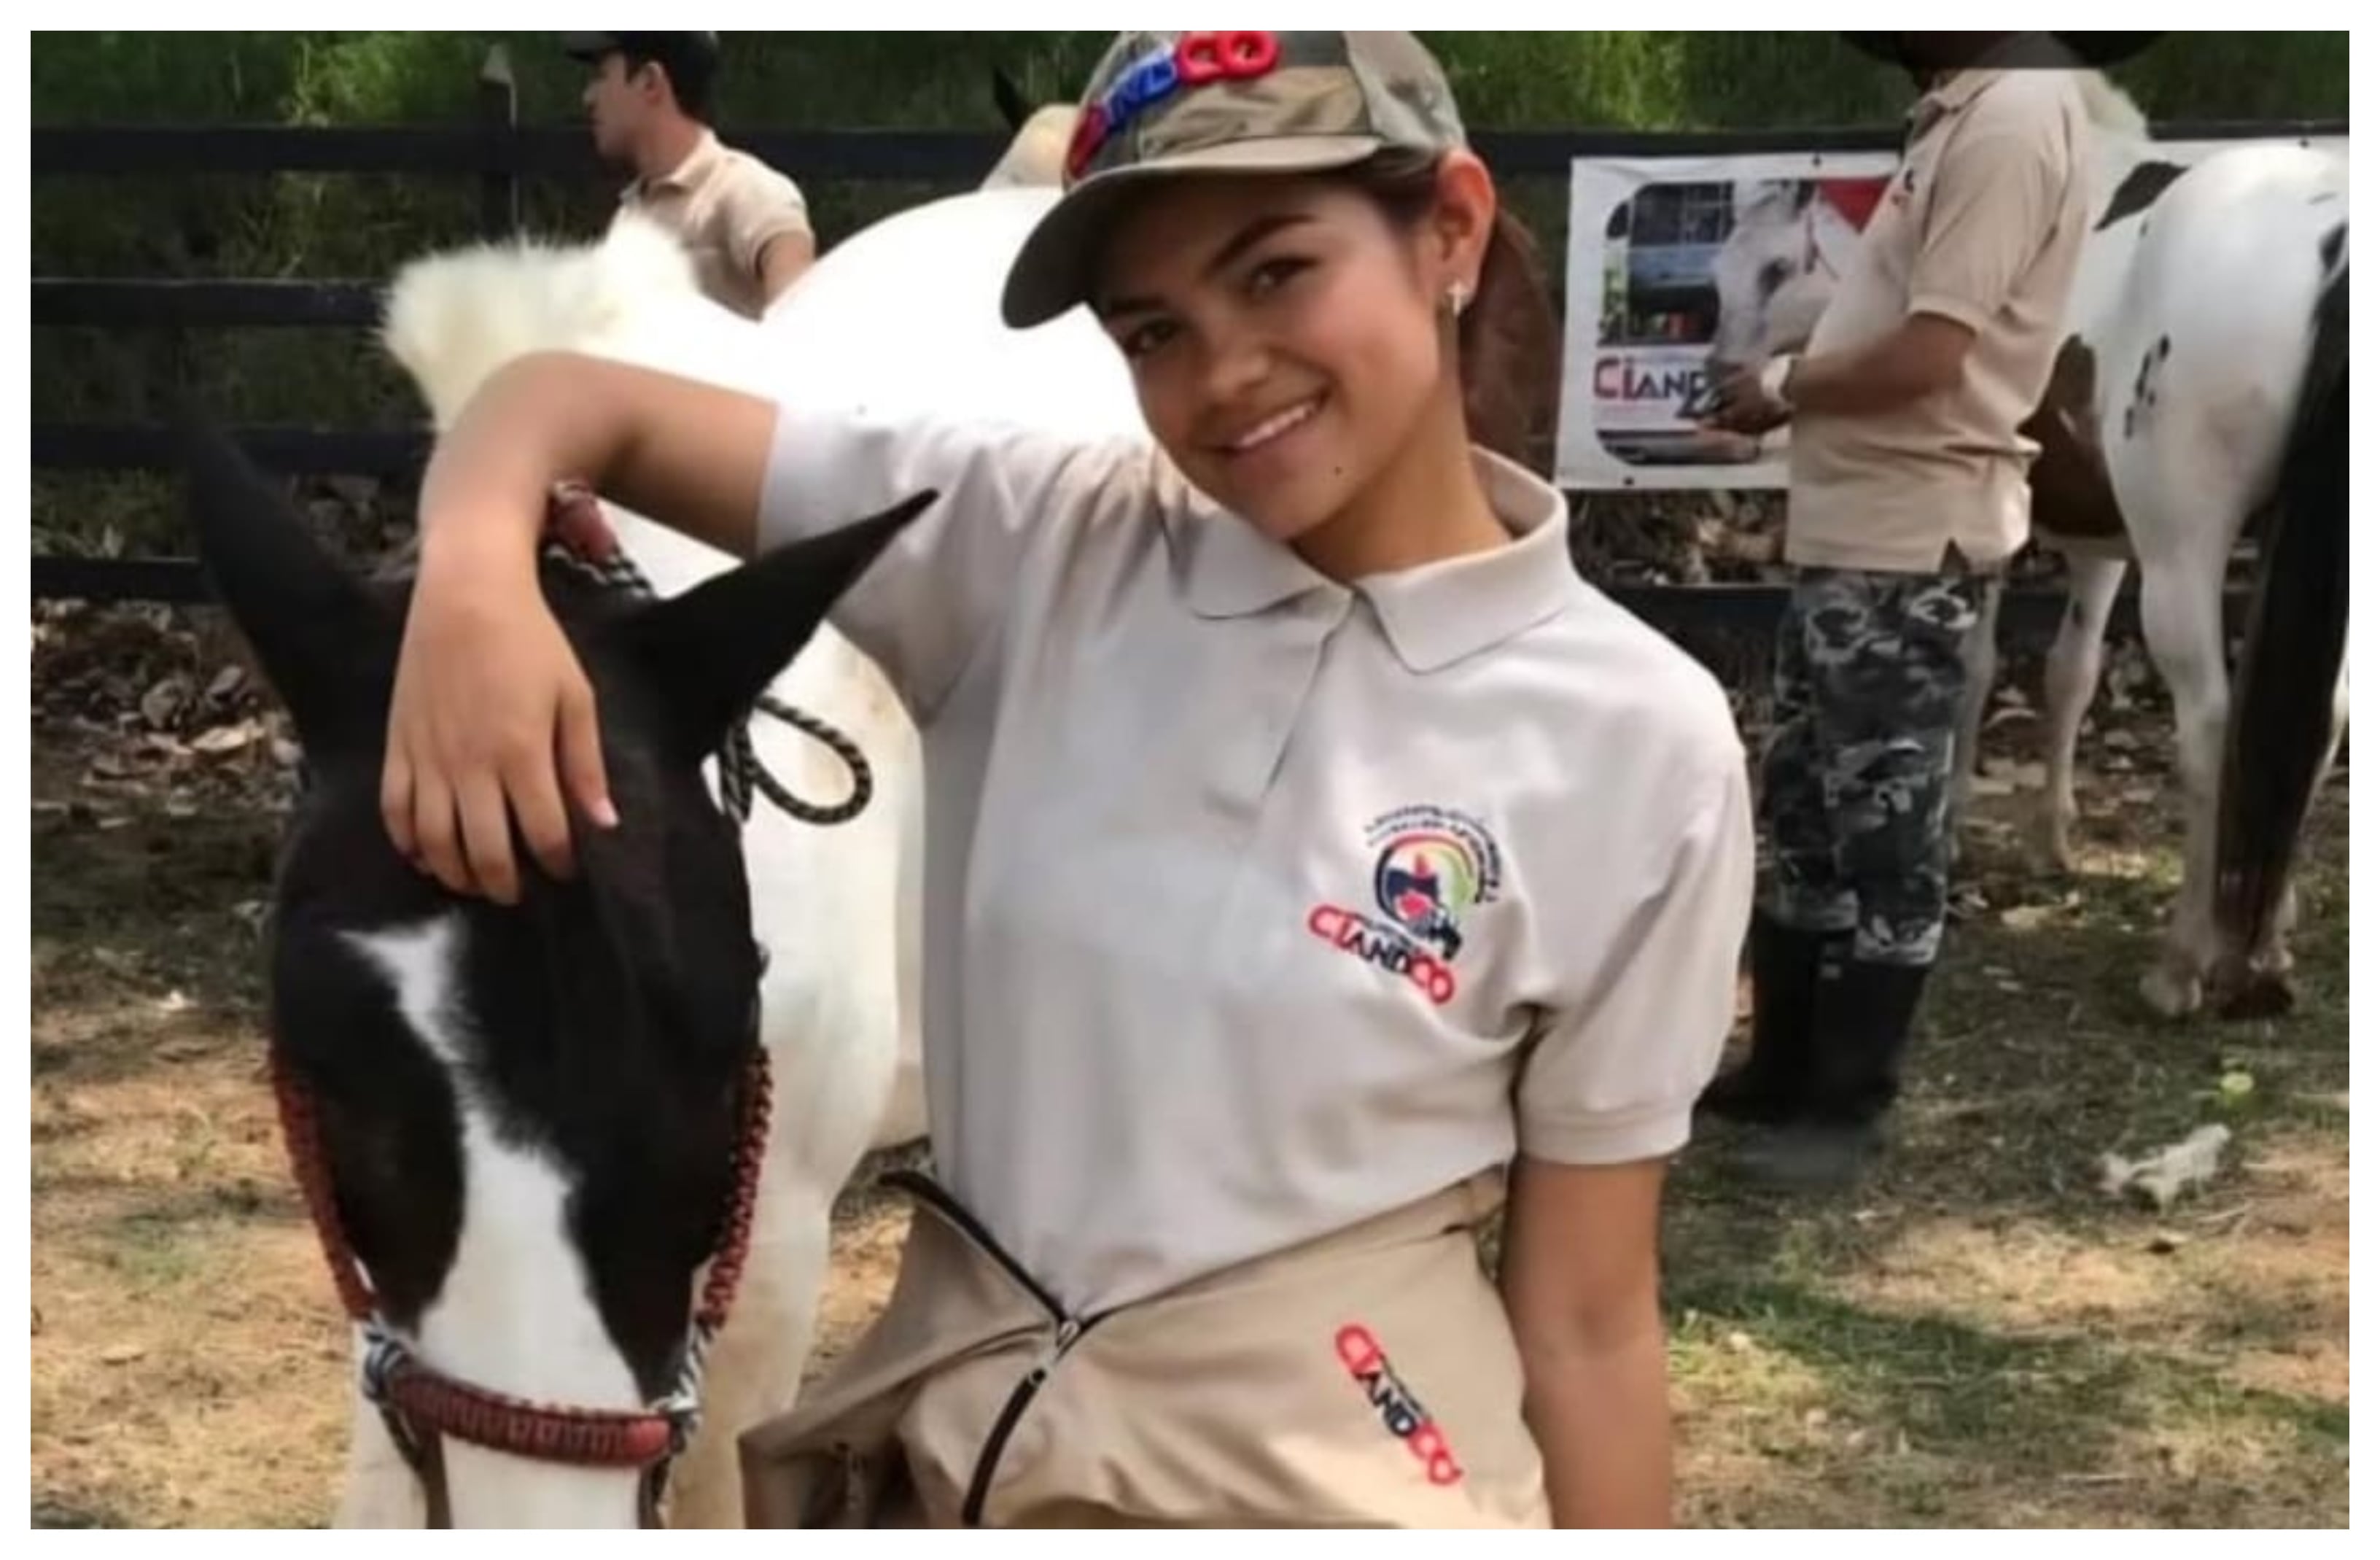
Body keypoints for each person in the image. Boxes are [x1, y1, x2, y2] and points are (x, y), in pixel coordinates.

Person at [384, 31, 1754, 1528]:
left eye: (1278, 270)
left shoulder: (1639, 744)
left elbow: (1588, 1315)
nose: (1225, 371)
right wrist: (471, 581)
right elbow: (570, 400)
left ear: (1452, 229)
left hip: (1343, 1479)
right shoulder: (1032, 548)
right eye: (1152, 329)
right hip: (983, 1451)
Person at [1697, 33, 2106, 1188]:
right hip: (1855, 521)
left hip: (1908, 530)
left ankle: (1849, 1102)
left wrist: (1779, 388)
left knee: (1887, 821)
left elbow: (1933, 352)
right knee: (1808, 800)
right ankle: (1785, 1063)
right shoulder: (1966, 111)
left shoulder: (2014, 118)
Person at [566, 31, 816, 319]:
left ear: (650, 82)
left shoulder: (745, 189)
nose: (588, 97)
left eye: (601, 75)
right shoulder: (629, 215)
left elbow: (800, 317)